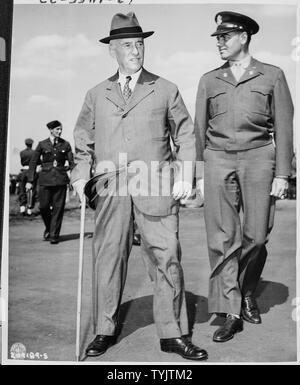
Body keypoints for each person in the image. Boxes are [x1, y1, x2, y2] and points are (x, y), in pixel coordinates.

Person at [71, 12, 207, 360]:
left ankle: (173, 333)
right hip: (110, 185)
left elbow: (186, 134)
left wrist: (184, 174)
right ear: (112, 50)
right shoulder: (95, 94)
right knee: (109, 259)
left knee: (167, 257)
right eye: (128, 45)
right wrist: (80, 176)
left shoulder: (164, 88)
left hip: (156, 183)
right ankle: (104, 329)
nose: (136, 50)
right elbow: (82, 142)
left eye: (140, 44)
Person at [194, 11, 293, 342]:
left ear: (244, 37)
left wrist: (283, 173)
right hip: (217, 159)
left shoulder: (272, 75)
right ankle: (232, 310)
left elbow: (283, 127)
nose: (219, 43)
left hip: (259, 158)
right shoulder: (209, 79)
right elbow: (198, 130)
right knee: (223, 237)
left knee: (257, 236)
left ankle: (247, 289)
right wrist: (197, 173)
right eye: (217, 38)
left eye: (225, 37)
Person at [26, 120, 74, 244]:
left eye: (61, 129)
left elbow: (72, 163)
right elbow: (33, 162)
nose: (60, 131)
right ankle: (49, 227)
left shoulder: (66, 144)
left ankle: (54, 235)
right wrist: (30, 180)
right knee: (43, 207)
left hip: (60, 180)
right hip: (45, 180)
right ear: (51, 130)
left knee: (58, 208)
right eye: (57, 129)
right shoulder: (42, 144)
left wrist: (74, 177)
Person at [17, 138, 37, 215]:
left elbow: (22, 162)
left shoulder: (22, 152)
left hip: (23, 171)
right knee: (31, 190)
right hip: (31, 171)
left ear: (26, 144)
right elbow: (38, 162)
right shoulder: (34, 152)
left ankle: (22, 207)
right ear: (32, 144)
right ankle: (29, 208)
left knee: (22, 189)